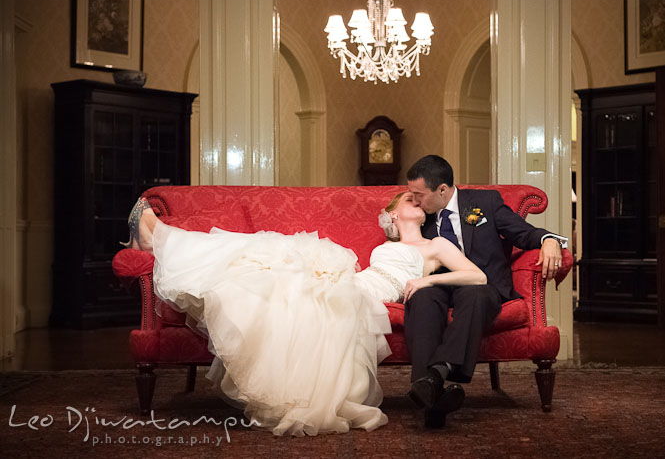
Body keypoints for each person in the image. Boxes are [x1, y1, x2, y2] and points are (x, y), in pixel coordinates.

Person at [122, 191, 488, 437]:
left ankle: (160, 238)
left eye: (419, 198)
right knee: (267, 256)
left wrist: (426, 283)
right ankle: (163, 240)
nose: (417, 201)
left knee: (279, 279)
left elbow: (477, 275)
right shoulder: (386, 244)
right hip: (353, 279)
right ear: (393, 213)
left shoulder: (436, 245)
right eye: (409, 198)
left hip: (367, 293)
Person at [404, 155, 567, 427]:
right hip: (439, 282)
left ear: (442, 190)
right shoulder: (421, 216)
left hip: (483, 283)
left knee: (475, 295)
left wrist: (548, 239)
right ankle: (432, 388)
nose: (415, 201)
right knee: (421, 297)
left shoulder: (486, 203)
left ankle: (434, 379)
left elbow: (522, 233)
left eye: (419, 195)